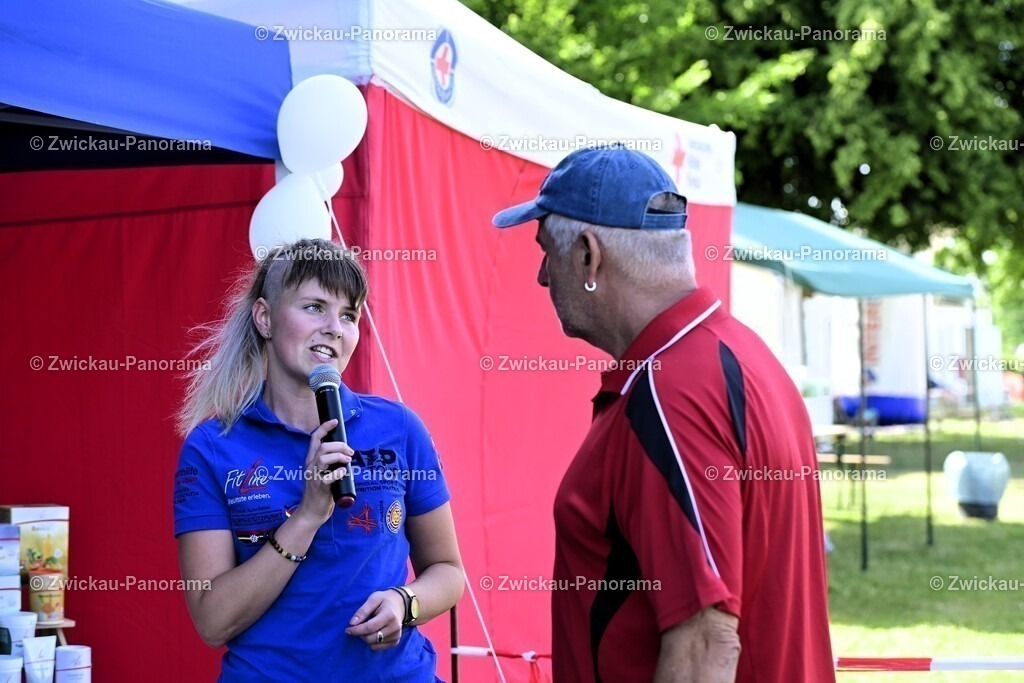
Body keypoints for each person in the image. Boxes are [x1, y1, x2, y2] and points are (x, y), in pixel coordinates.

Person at [492, 146, 835, 683]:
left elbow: (705, 642)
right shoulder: (746, 356)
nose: (541, 276)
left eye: (545, 251)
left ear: (588, 255)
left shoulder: (669, 392)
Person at [173, 238, 463, 681]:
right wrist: (306, 517)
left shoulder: (401, 428)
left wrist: (407, 604)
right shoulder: (212, 447)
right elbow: (213, 621)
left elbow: (447, 572)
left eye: (349, 315)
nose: (334, 327)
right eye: (314, 307)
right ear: (265, 318)